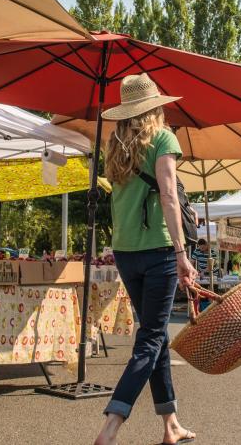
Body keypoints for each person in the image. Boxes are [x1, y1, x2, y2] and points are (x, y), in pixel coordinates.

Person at [94, 73, 196, 445]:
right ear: (156, 106)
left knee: (154, 337)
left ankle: (171, 425)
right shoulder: (164, 138)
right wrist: (183, 253)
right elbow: (169, 196)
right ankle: (112, 422)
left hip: (125, 250)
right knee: (152, 337)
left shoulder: (115, 144)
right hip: (159, 251)